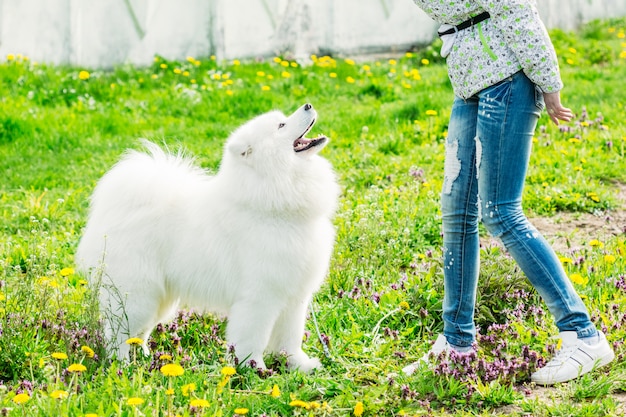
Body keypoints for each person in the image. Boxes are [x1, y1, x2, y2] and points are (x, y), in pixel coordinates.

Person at [402, 0, 615, 385]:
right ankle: (457, 343)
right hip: (469, 81)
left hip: (508, 77)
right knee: (456, 211)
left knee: (499, 211)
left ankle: (583, 335)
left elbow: (515, 8)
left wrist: (549, 83)